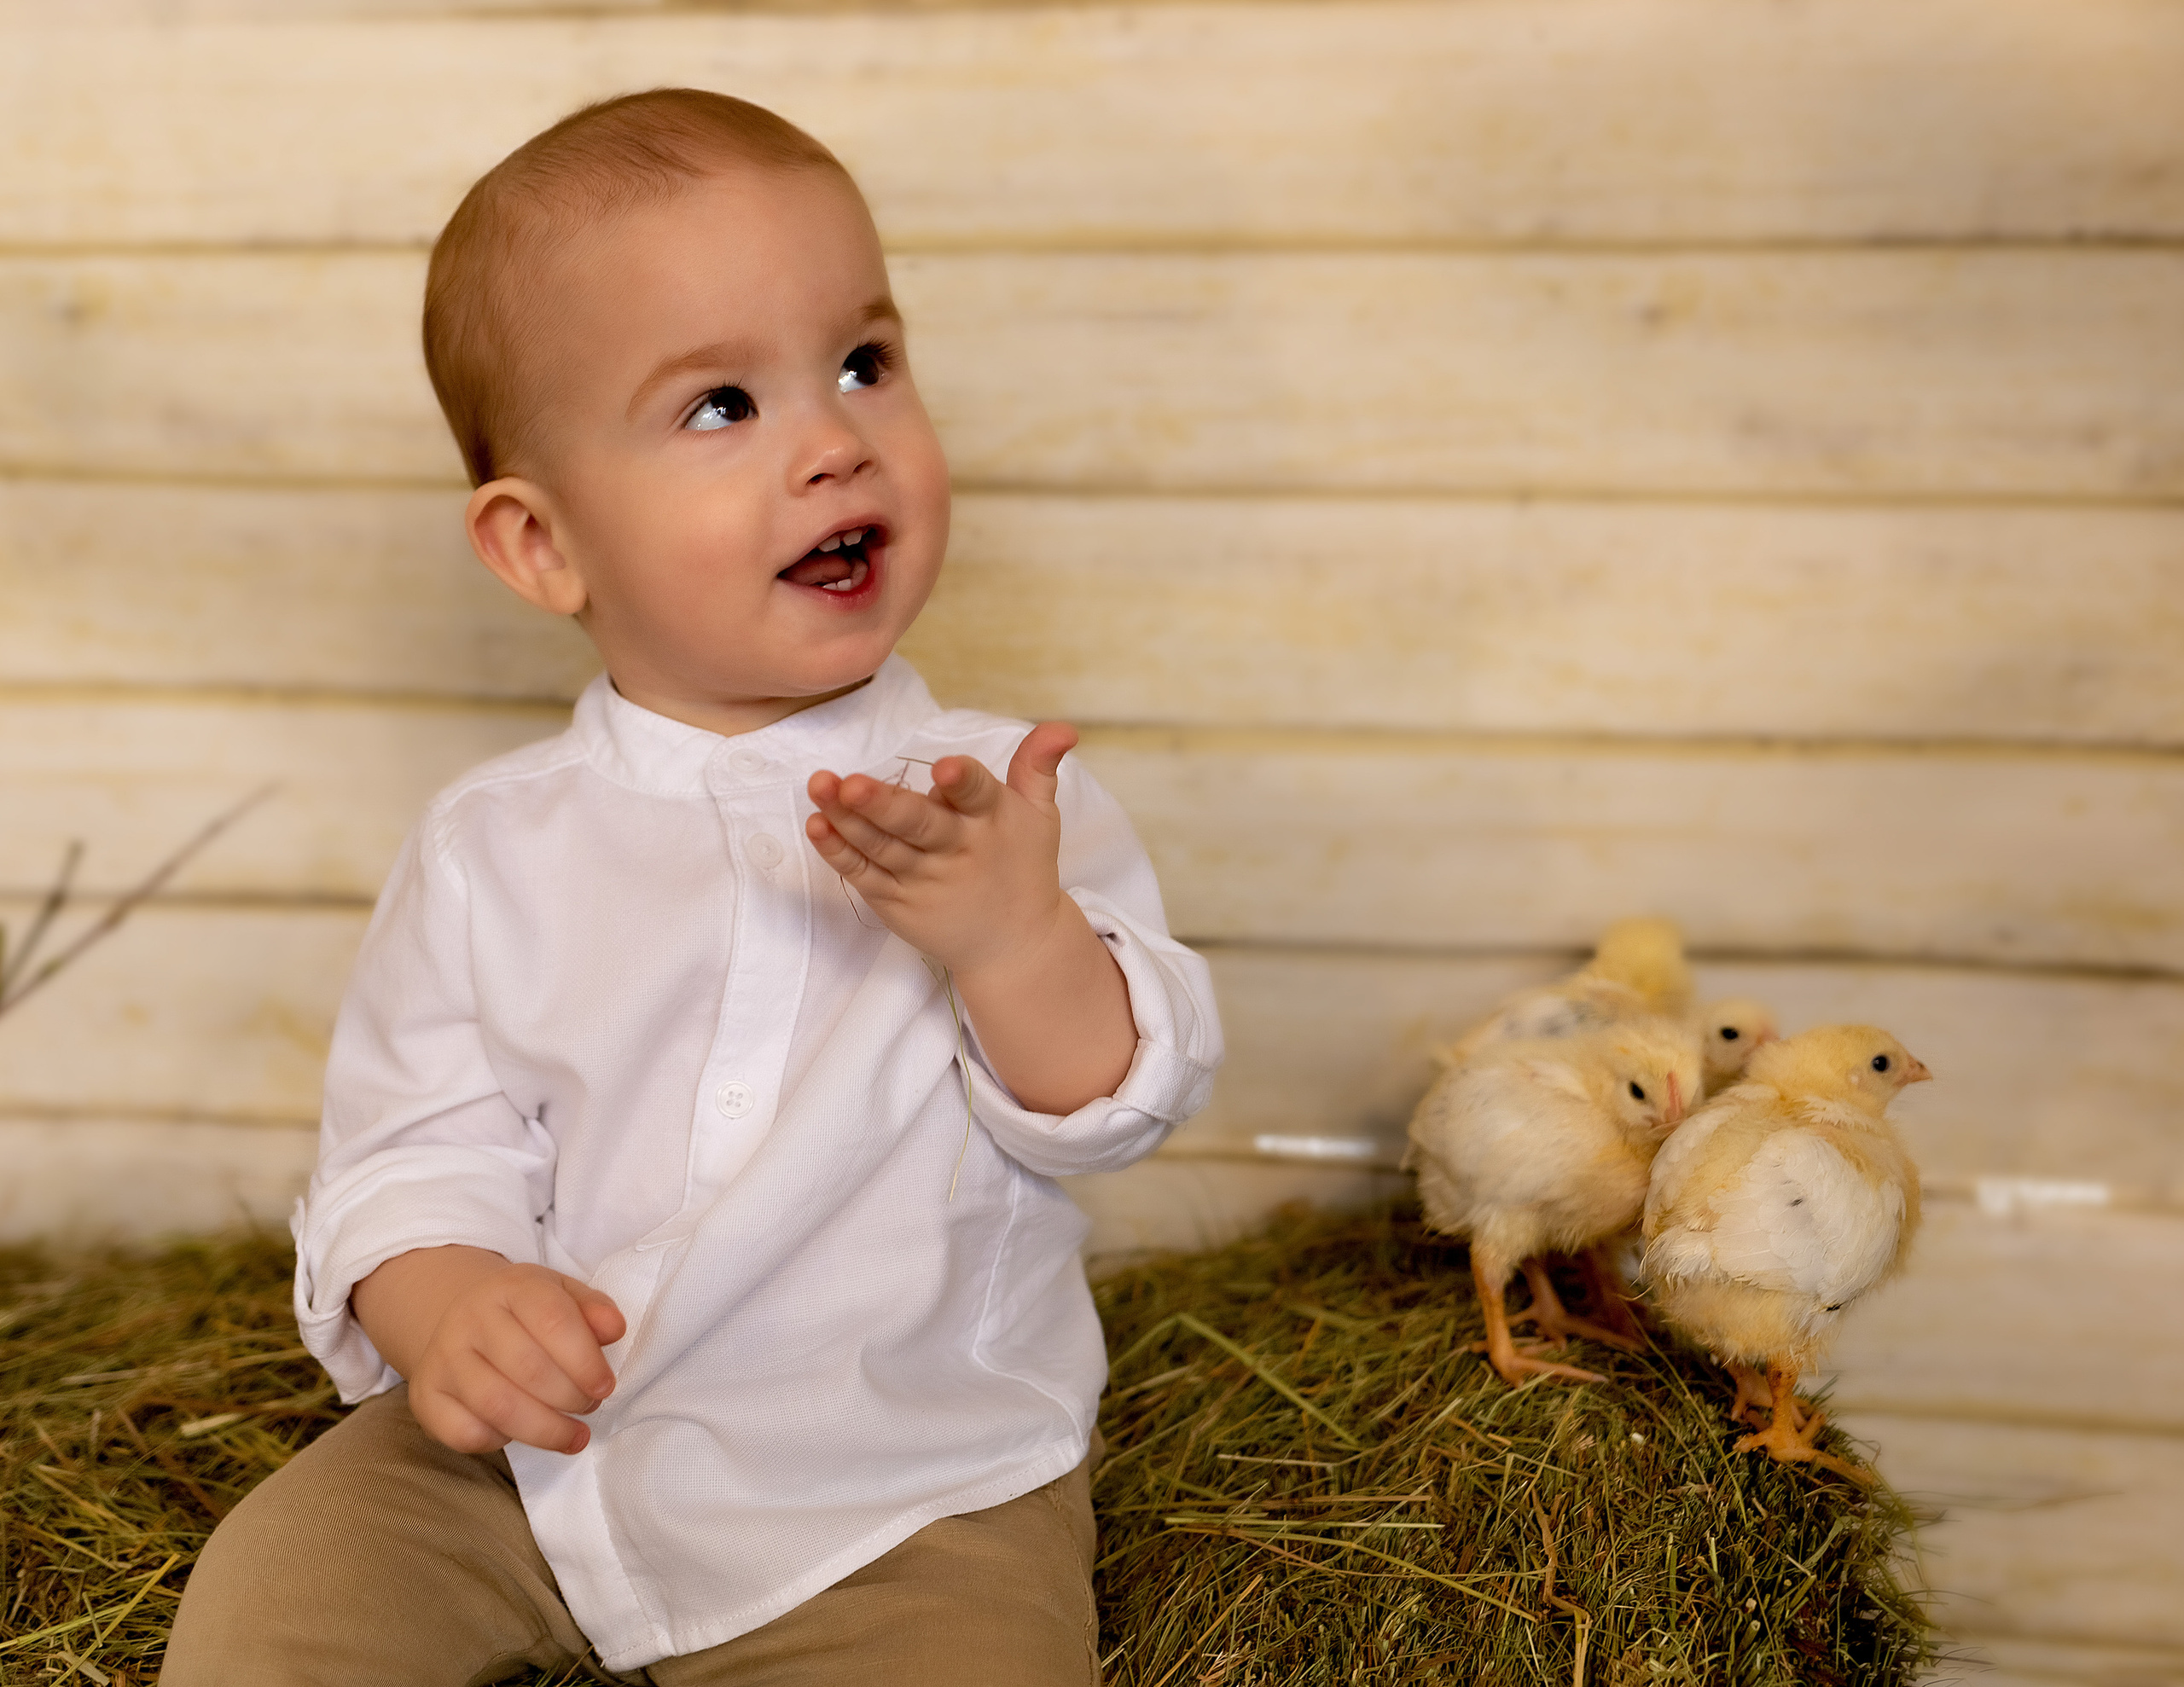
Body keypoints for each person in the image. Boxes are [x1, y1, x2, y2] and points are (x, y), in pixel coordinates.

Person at [161, 88, 1222, 1686]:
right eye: (721, 403)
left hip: (897, 1490)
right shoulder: (491, 849)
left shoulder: (995, 801)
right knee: (281, 1595)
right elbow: (412, 1144)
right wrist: (447, 1303)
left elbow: (1116, 1095)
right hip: (527, 1457)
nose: (834, 439)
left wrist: (1017, 941)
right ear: (541, 546)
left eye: (865, 362)